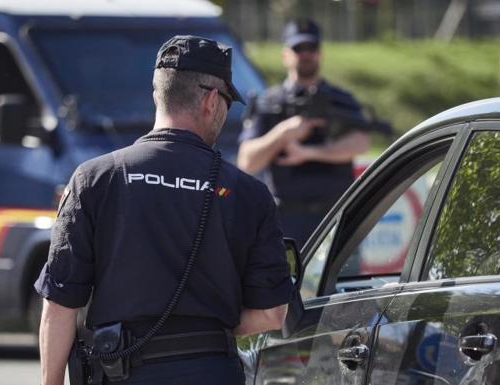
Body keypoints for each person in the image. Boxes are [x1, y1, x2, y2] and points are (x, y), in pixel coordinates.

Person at [35, 35, 294, 385]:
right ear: (211, 101)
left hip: (122, 372)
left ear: (158, 94)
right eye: (228, 103)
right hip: (211, 372)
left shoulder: (94, 179)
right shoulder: (248, 193)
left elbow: (60, 304)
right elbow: (272, 312)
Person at [237, 19, 370, 247]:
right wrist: (282, 133)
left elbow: (361, 142)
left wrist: (309, 152)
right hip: (286, 220)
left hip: (336, 216)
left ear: (320, 53)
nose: (306, 54)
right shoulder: (268, 102)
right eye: (298, 49)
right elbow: (246, 161)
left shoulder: (340, 99)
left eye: (312, 48)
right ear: (285, 55)